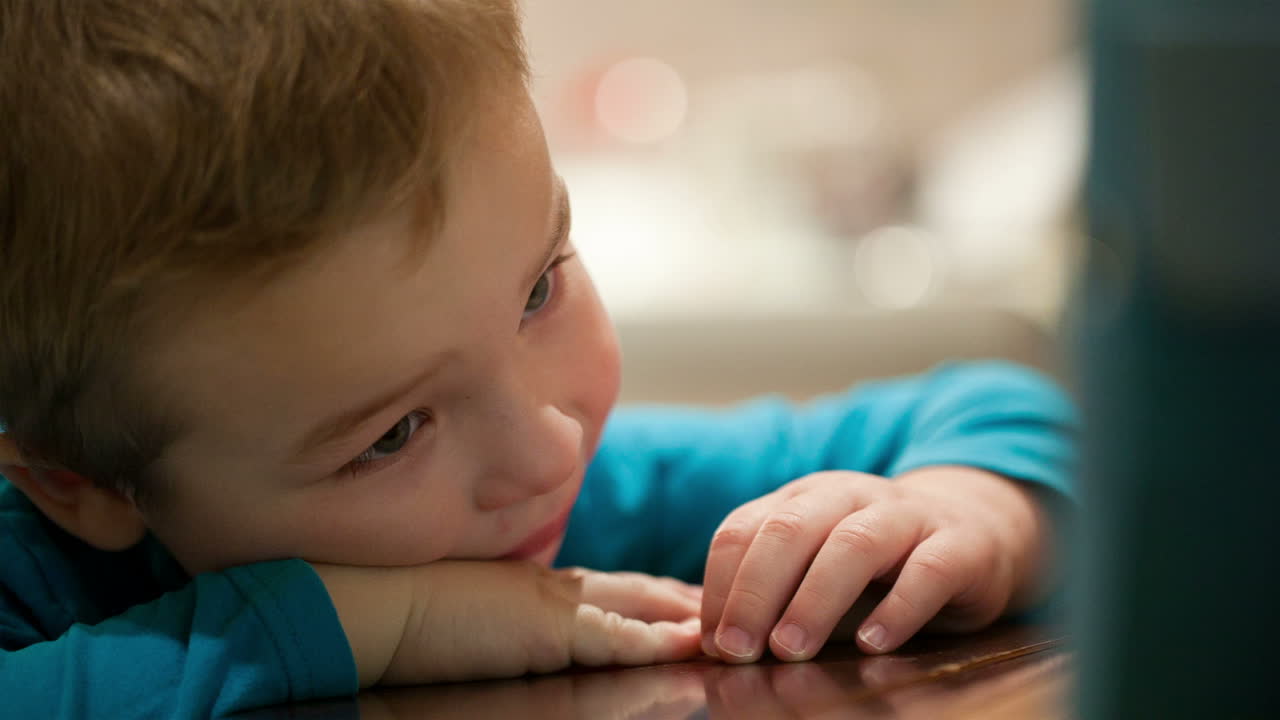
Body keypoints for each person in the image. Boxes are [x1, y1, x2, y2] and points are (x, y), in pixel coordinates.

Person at [0, 0, 1076, 716]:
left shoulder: (557, 492)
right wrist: (392, 620)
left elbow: (989, 410)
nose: (549, 443)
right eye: (390, 435)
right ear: (76, 482)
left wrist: (975, 509)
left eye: (537, 289)